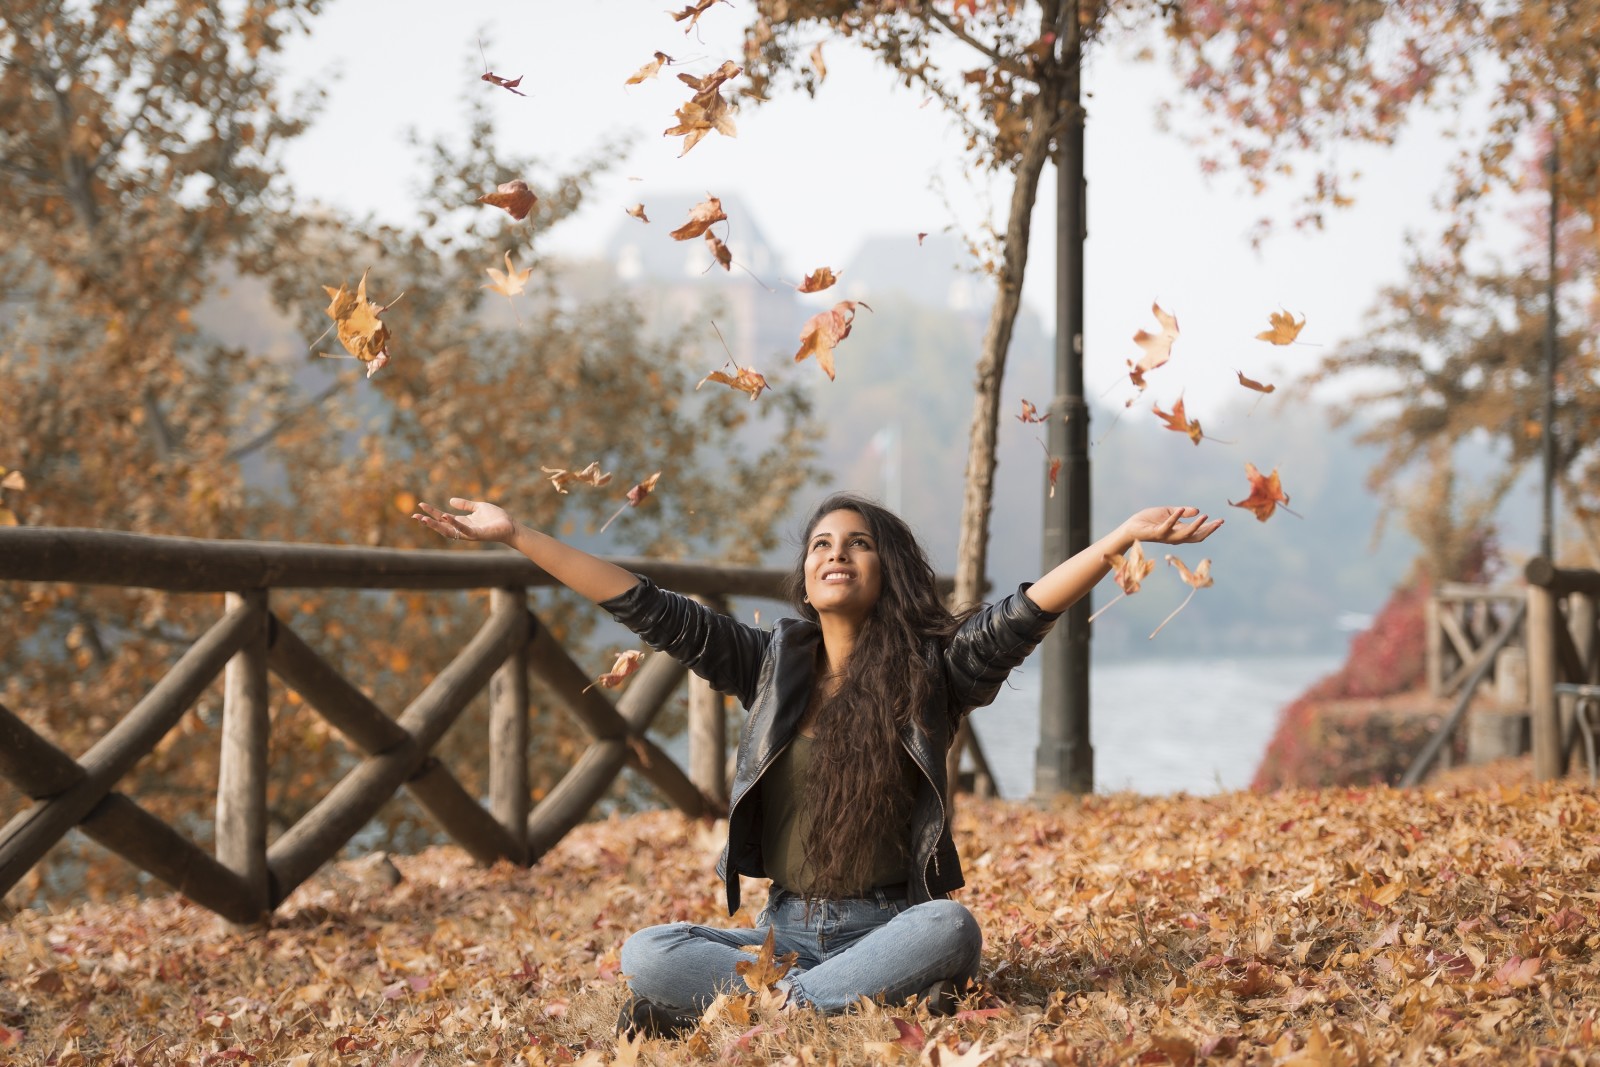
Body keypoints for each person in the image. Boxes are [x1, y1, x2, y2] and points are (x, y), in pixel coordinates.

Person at [412, 491, 1221, 1037]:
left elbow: (1021, 615)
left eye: (858, 544)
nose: (837, 554)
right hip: (783, 935)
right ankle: (818, 1003)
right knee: (647, 952)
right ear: (805, 571)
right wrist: (518, 535)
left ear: (887, 568)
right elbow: (647, 606)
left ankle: (767, 1013)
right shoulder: (767, 665)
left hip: (893, 925)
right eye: (823, 544)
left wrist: (1119, 539)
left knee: (953, 926)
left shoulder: (935, 673)